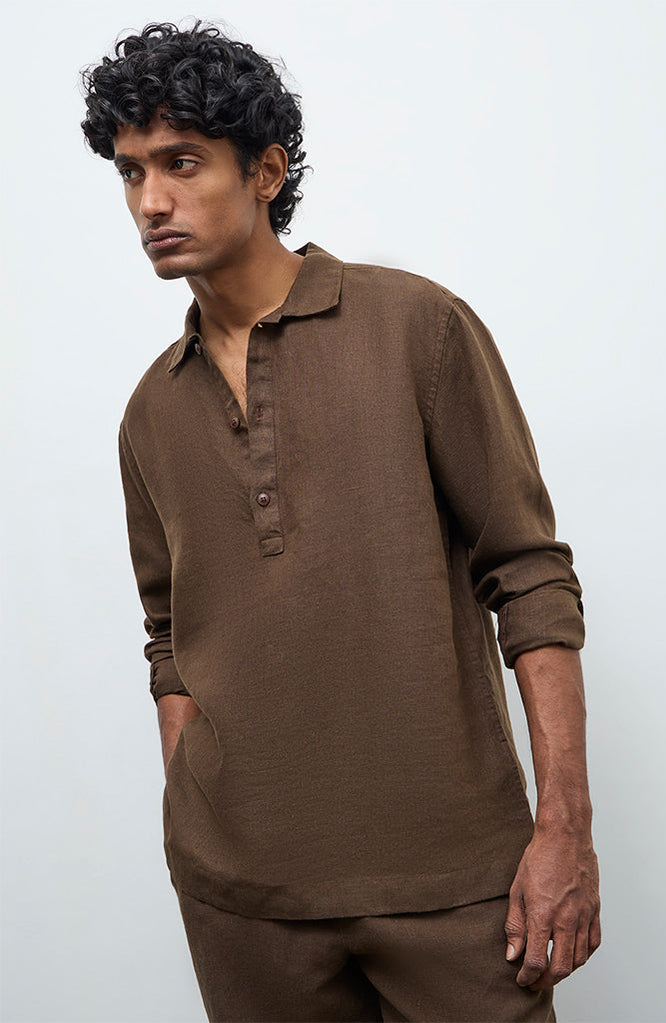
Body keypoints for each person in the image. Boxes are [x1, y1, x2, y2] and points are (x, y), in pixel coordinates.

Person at [81, 20, 600, 1023]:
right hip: (244, 907)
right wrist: (195, 825)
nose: (150, 201)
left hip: (455, 883)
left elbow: (529, 575)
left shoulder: (414, 327)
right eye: (130, 171)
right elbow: (169, 639)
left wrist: (563, 828)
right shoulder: (151, 410)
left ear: (265, 171)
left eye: (181, 162)